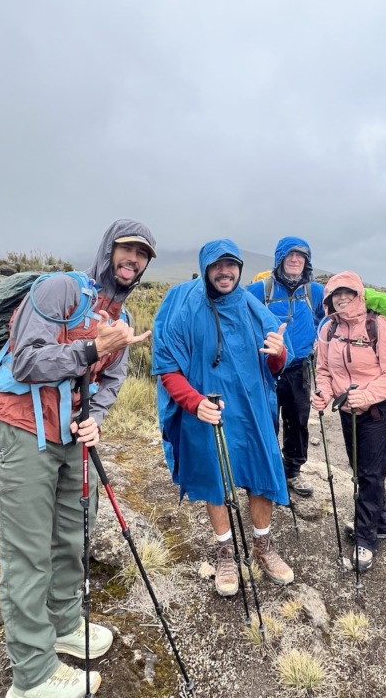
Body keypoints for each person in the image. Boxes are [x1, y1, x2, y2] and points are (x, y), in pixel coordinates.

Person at [0, 219, 156, 698]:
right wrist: (93, 347)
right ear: (108, 249)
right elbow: (27, 362)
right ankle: (33, 675)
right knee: (28, 552)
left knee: (71, 535)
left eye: (143, 256)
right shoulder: (59, 290)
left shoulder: (120, 317)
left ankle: (62, 623)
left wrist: (95, 416)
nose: (134, 260)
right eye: (127, 249)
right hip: (18, 429)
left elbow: (112, 380)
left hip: (69, 437)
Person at [153, 238, 296, 598]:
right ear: (205, 269)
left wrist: (278, 355)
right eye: (217, 265)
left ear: (239, 269)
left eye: (231, 265)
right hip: (207, 407)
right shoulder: (183, 304)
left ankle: (263, 546)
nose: (225, 271)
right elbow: (167, 365)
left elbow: (275, 361)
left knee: (261, 469)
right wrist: (192, 402)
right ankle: (226, 552)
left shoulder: (251, 306)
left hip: (251, 407)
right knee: (216, 476)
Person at [311, 271, 386, 573]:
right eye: (335, 295)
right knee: (363, 470)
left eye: (347, 293)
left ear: (359, 295)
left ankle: (365, 541)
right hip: (347, 411)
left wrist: (365, 396)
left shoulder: (379, 326)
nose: (341, 299)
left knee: (369, 474)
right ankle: (380, 524)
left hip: (379, 413)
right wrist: (322, 394)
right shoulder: (328, 329)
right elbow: (324, 370)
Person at [246, 237, 325, 498]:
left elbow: (328, 318)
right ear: (279, 259)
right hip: (266, 367)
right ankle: (266, 470)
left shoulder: (315, 292)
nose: (295, 260)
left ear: (307, 262)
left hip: (299, 366)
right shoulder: (261, 290)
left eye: (300, 256)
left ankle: (292, 471)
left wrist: (317, 338)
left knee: (298, 420)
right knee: (267, 419)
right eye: (290, 256)